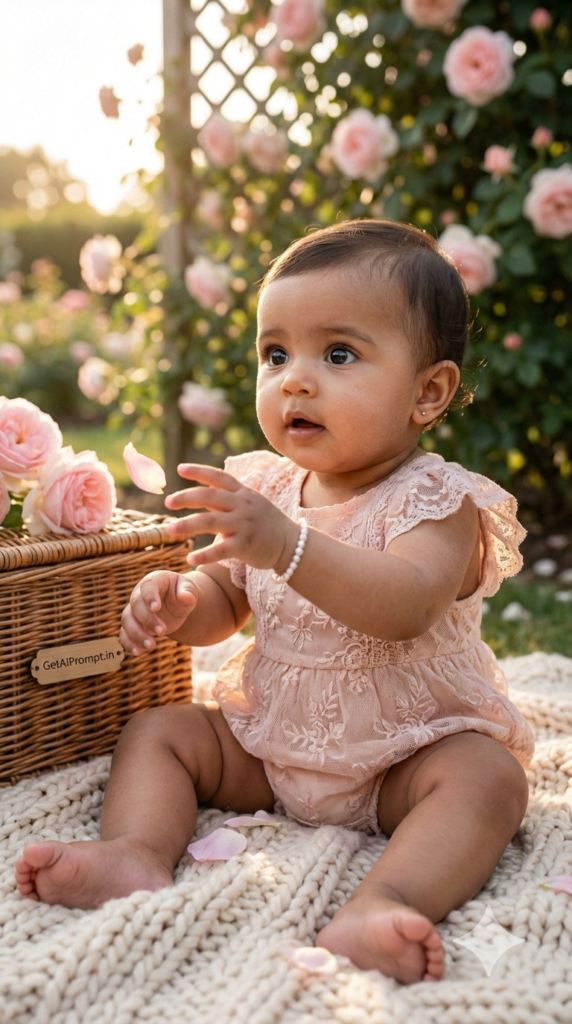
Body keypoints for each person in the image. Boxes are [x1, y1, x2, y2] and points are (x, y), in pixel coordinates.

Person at [15, 220, 534, 984]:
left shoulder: (437, 500)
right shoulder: (265, 489)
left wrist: (286, 546)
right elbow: (228, 598)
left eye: (339, 353)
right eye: (275, 353)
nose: (294, 378)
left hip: (408, 753)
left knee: (489, 778)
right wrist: (177, 601)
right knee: (162, 731)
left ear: (429, 392)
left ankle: (383, 900)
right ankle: (135, 853)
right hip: (275, 742)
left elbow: (410, 604)